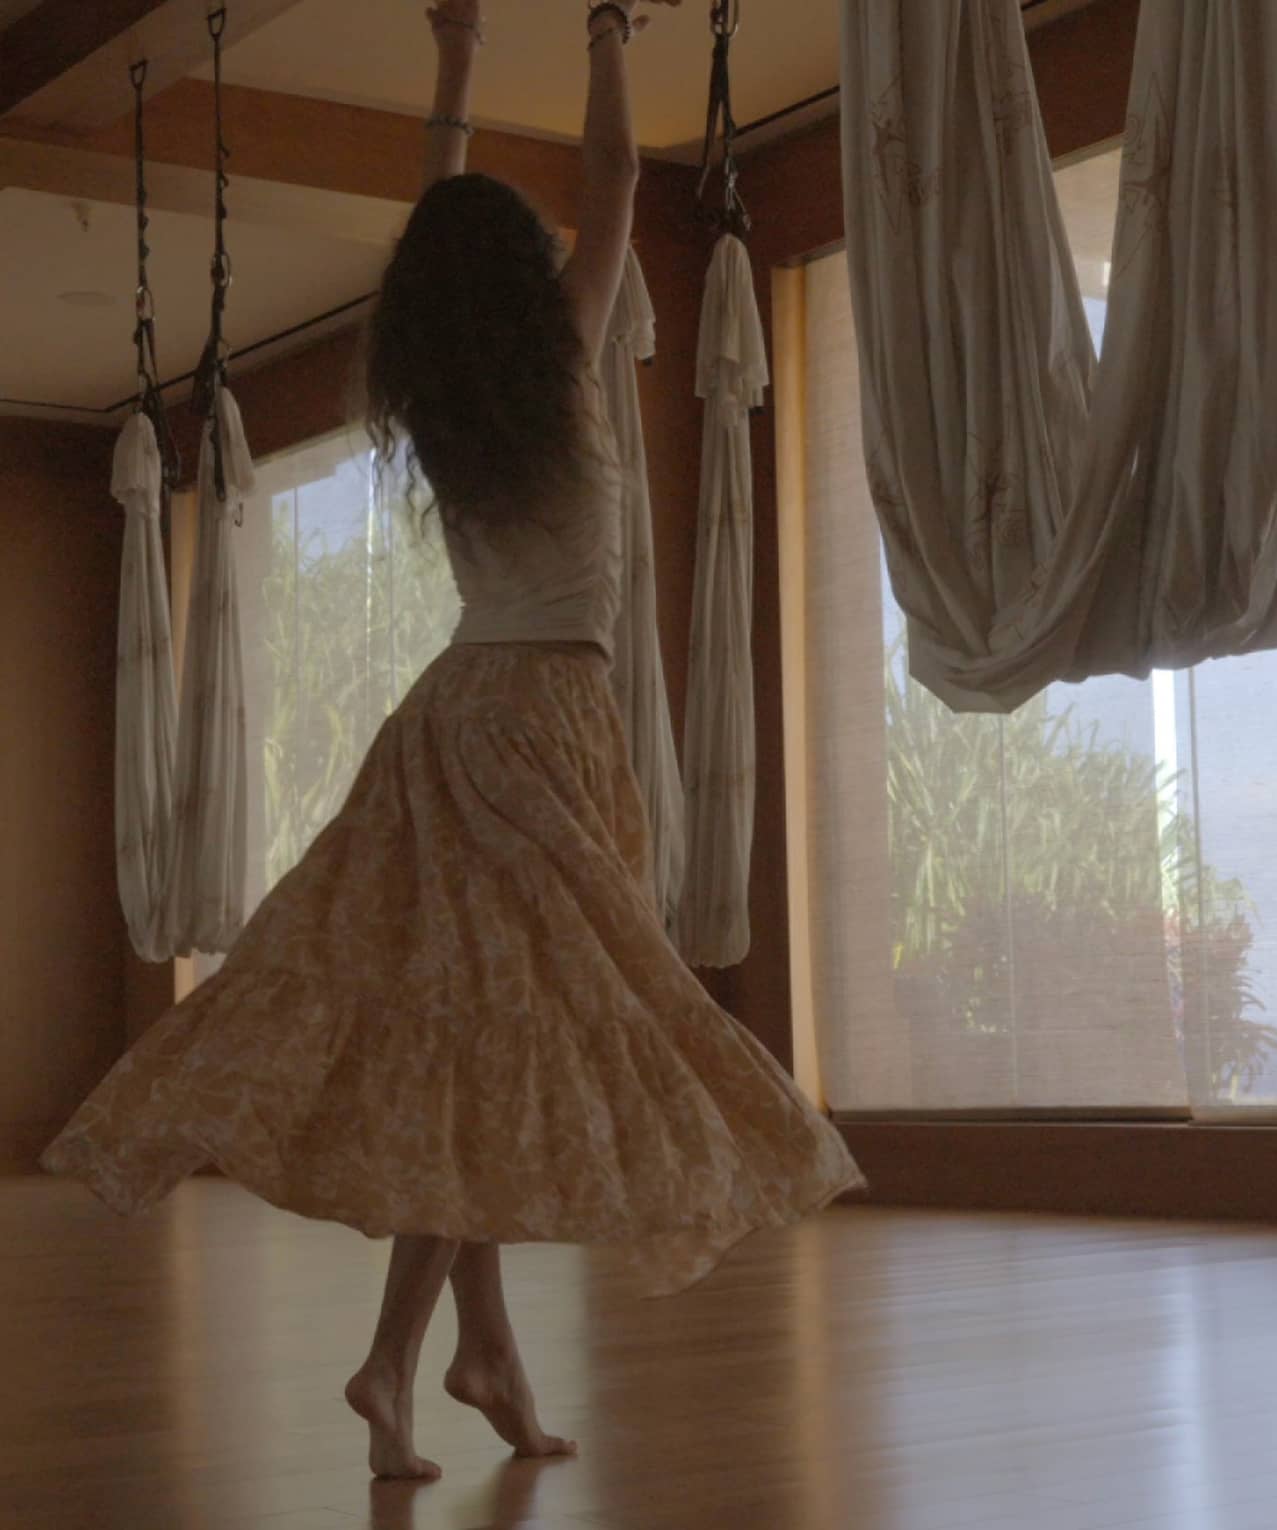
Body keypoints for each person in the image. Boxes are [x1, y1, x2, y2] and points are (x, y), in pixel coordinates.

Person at [42, 0, 863, 1482]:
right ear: (526, 280)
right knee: (515, 1024)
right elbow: (614, 182)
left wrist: (460, 60)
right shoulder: (563, 356)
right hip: (545, 718)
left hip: (449, 719)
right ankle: (409, 1353)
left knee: (474, 1031)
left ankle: (459, 1352)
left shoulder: (441, 393)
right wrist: (608, 33)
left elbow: (450, 199)